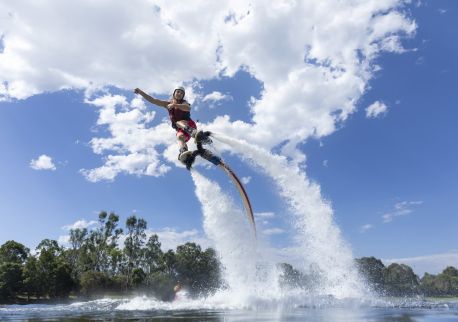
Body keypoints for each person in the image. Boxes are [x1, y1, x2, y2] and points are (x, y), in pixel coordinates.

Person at [134, 86, 208, 164]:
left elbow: (187, 108)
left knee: (178, 123)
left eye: (182, 93)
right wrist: (140, 92)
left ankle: (193, 132)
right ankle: (184, 151)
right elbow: (153, 100)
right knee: (179, 136)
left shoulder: (183, 102)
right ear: (174, 93)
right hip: (181, 130)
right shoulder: (167, 104)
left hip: (189, 125)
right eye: (178, 92)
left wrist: (175, 105)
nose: (180, 94)